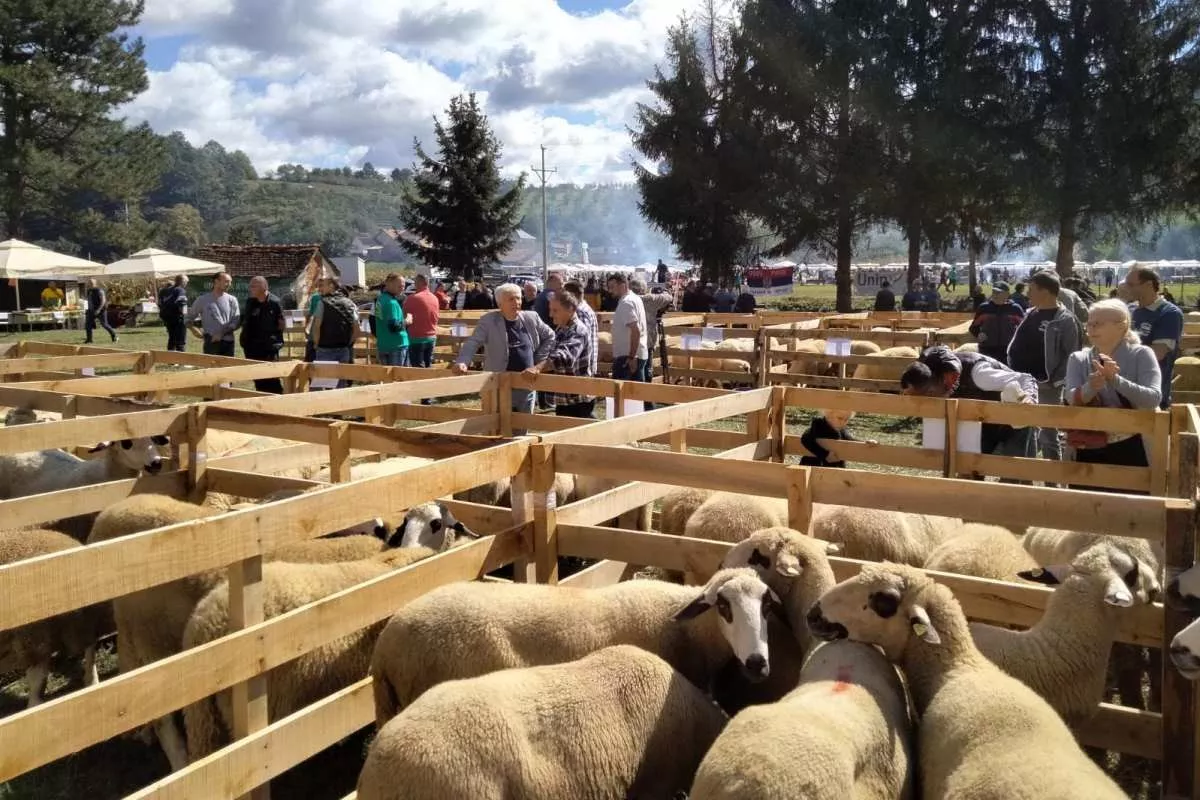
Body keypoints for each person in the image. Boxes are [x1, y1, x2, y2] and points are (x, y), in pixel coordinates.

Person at [1065, 299, 1162, 488]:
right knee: (1086, 506)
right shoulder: (1078, 358)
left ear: (1121, 326)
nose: (1091, 328)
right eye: (1089, 324)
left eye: (1098, 324)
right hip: (1087, 444)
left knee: (1133, 509)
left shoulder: (1141, 354)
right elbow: (1071, 398)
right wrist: (1090, 387)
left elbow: (1153, 399)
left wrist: (1115, 380)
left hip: (1133, 443)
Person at [900, 345, 1038, 467]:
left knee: (1013, 472)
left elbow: (1025, 378)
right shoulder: (935, 381)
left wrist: (1029, 398)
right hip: (981, 421)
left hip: (1012, 420)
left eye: (927, 394)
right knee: (969, 468)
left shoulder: (980, 376)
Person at [1006, 271, 1080, 463]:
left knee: (1048, 433)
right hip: (1022, 381)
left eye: (1032, 290)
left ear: (1045, 291)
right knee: (1024, 429)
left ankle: (1053, 479)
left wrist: (1056, 381)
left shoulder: (1065, 320)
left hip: (1048, 385)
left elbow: (1072, 355)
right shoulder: (1030, 313)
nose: (1028, 294)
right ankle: (1024, 475)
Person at [451, 283, 554, 417]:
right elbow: (473, 342)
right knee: (495, 427)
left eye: (518, 298)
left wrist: (539, 361)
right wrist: (463, 361)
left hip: (526, 384)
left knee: (522, 428)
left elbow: (550, 336)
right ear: (500, 304)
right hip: (497, 383)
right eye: (511, 299)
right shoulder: (488, 321)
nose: (516, 302)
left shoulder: (532, 317)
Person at [525, 291, 596, 418]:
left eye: (555, 310)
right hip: (566, 398)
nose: (551, 314)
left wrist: (538, 368)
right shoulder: (562, 328)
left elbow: (563, 357)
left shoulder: (578, 331)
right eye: (550, 310)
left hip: (577, 400)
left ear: (570, 309)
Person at [1124, 265, 1183, 409]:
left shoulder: (1169, 313)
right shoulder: (1129, 310)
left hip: (1150, 396)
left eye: (1131, 285)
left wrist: (1120, 352)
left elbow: (1158, 354)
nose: (1126, 288)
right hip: (1123, 394)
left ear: (1149, 285)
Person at [240, 276, 286, 393]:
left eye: (253, 286)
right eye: (250, 286)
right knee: (257, 377)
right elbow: (246, 321)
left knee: (271, 377)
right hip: (252, 347)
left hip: (269, 348)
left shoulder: (275, 302)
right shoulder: (250, 302)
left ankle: (277, 402)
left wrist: (274, 340)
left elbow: (281, 324)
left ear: (264, 287)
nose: (250, 288)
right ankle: (261, 400)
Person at [310, 278, 361, 384]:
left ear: (331, 286)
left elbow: (316, 327)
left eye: (322, 285)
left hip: (325, 348)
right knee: (340, 384)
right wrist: (348, 344)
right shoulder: (350, 303)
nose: (320, 289)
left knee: (323, 384)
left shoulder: (322, 303)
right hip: (344, 349)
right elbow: (357, 329)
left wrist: (316, 343)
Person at [968, 281, 1025, 363]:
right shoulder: (984, 308)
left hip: (1009, 350)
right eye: (994, 292)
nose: (995, 295)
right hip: (987, 350)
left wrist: (1017, 341)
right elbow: (973, 327)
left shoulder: (1015, 309)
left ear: (1007, 294)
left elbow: (1024, 328)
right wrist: (978, 334)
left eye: (998, 293)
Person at [188, 272, 241, 357]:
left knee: (228, 369)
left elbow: (235, 321)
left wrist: (221, 334)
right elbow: (188, 318)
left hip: (228, 342)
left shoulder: (232, 300)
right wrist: (193, 329)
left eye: (230, 282)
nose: (229, 284)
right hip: (211, 342)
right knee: (211, 369)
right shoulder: (202, 300)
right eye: (227, 281)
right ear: (216, 281)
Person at [799, 410, 876, 468]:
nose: (843, 422)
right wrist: (825, 454)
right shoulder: (818, 426)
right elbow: (805, 438)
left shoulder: (841, 430)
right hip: (813, 467)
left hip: (834, 470)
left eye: (846, 420)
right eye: (840, 418)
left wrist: (865, 443)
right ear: (828, 414)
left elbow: (851, 441)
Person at [608, 273, 647, 382]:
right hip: (635, 354)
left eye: (613, 287)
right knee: (635, 396)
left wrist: (631, 357)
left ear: (623, 285)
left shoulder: (626, 303)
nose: (610, 291)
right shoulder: (635, 298)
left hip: (627, 357)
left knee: (623, 396)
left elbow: (635, 330)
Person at [404, 274, 440, 370]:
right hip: (432, 336)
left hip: (417, 338)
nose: (414, 284)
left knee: (418, 369)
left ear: (420, 282)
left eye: (415, 282)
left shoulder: (413, 298)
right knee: (428, 366)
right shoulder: (434, 298)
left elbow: (403, 316)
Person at [374, 273, 410, 367]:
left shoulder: (380, 300)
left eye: (403, 286)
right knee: (398, 378)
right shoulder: (392, 303)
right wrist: (407, 321)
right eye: (399, 286)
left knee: (387, 378)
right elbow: (394, 326)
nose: (402, 288)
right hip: (397, 345)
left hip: (383, 344)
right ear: (389, 284)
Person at [158, 275, 189, 351]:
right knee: (180, 340)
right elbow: (182, 304)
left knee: (172, 338)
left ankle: (171, 360)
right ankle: (181, 360)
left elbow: (159, 303)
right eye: (187, 282)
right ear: (183, 282)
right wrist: (186, 317)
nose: (186, 284)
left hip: (167, 317)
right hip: (178, 317)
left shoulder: (164, 290)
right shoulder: (180, 290)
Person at [302, 277, 329, 363]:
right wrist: (306, 327)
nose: (320, 288)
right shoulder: (315, 297)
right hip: (317, 326)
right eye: (319, 286)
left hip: (323, 327)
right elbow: (311, 314)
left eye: (322, 285)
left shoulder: (319, 298)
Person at [83, 278, 117, 344]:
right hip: (91, 310)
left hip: (101, 310)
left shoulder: (99, 290)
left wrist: (99, 309)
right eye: (89, 283)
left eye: (91, 283)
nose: (89, 284)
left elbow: (103, 301)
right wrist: (88, 309)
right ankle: (89, 340)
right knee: (88, 325)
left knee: (104, 324)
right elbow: (89, 301)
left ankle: (114, 336)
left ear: (95, 283)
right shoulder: (89, 291)